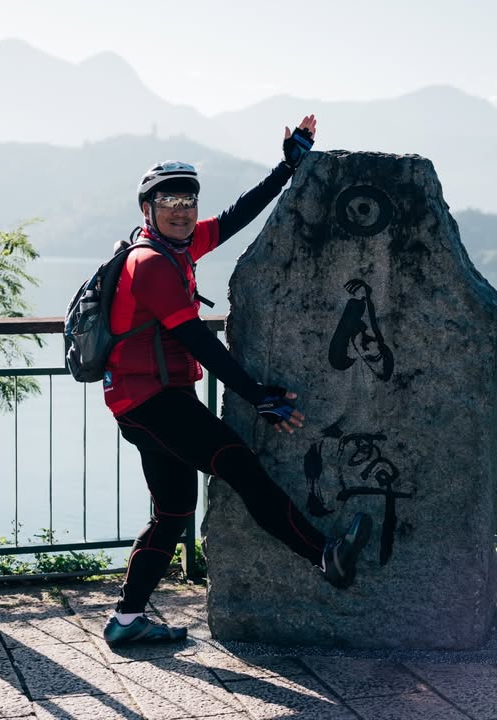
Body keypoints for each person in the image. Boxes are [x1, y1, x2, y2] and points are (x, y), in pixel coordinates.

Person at [101, 115, 373, 648]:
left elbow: (236, 217)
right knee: (239, 464)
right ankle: (325, 555)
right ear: (147, 209)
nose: (183, 213)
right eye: (170, 204)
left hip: (150, 399)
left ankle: (127, 620)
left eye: (188, 204)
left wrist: (286, 167)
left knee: (175, 510)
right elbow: (198, 342)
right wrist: (259, 398)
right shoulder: (150, 263)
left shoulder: (175, 247)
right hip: (150, 402)